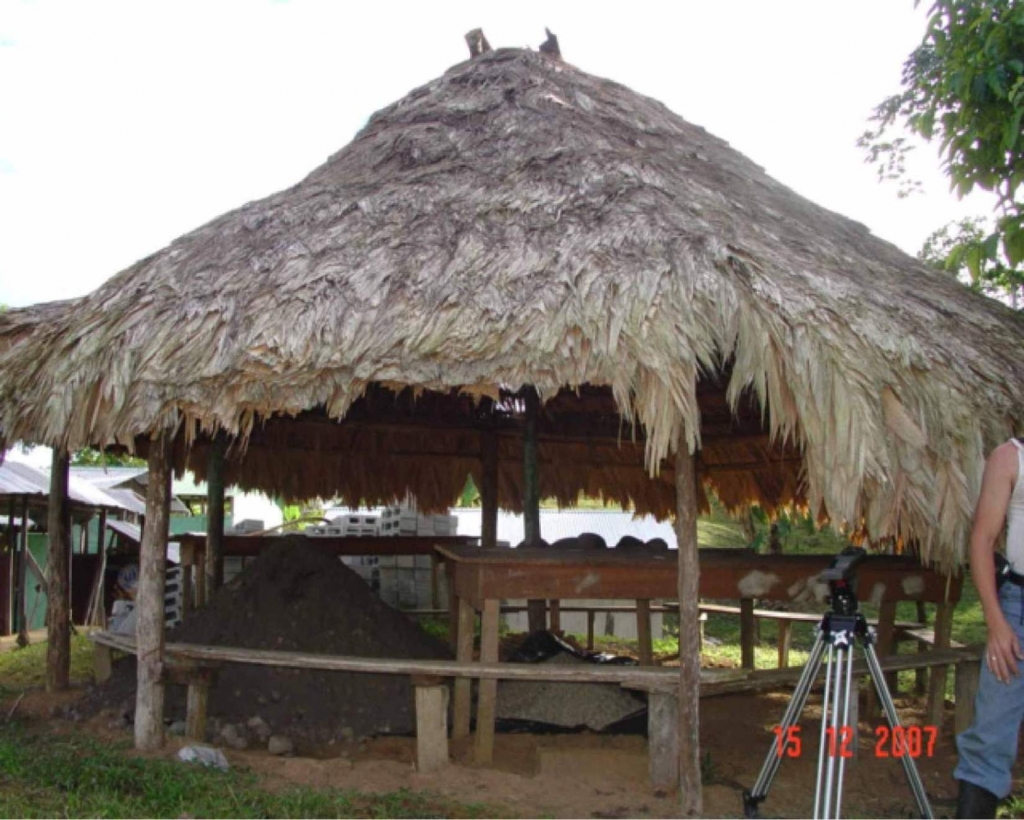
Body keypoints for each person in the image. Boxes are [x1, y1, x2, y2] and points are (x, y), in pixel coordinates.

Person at [955, 437, 1024, 818]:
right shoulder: (1011, 456)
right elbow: (981, 539)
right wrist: (997, 624)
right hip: (1017, 609)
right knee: (990, 733)